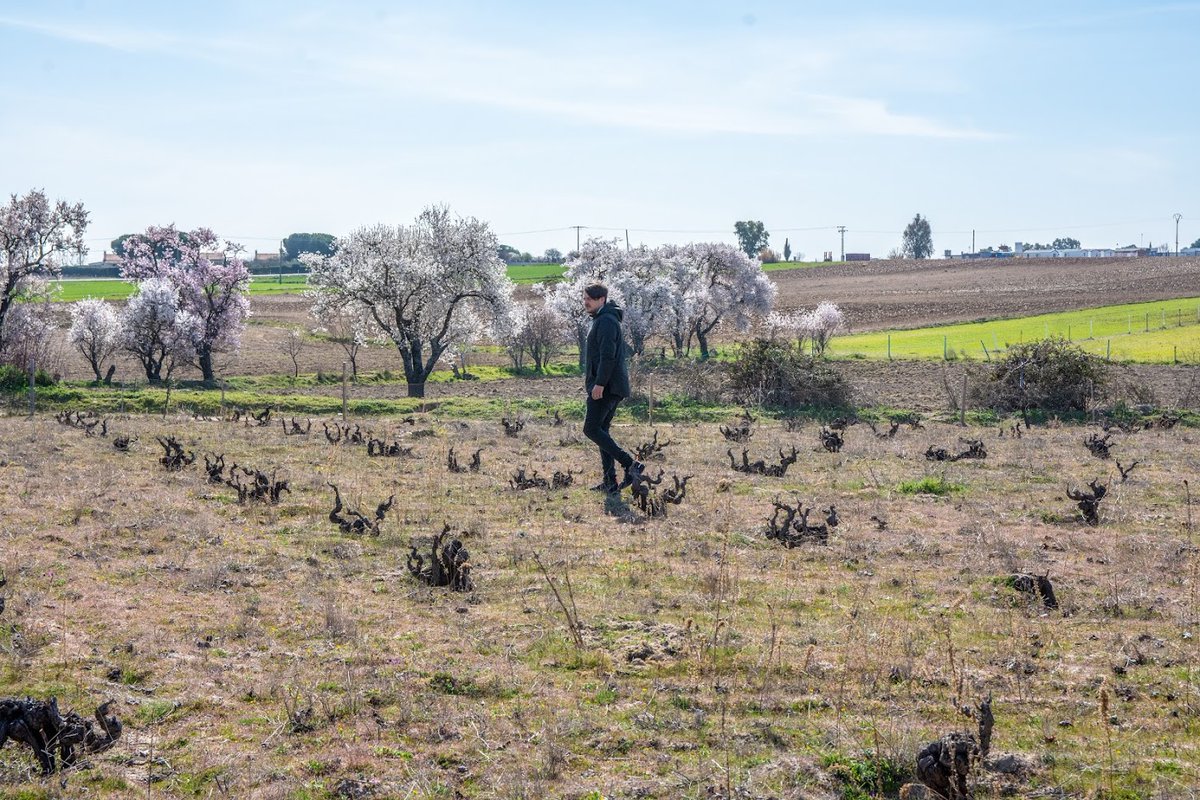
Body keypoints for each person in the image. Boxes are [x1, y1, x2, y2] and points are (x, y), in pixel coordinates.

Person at [581, 283, 643, 495]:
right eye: (585, 298)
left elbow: (608, 356)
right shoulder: (603, 319)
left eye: (589, 298)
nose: (586, 302)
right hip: (610, 385)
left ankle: (630, 464)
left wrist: (599, 383)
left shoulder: (606, 321)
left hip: (606, 386)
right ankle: (609, 481)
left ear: (602, 299)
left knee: (591, 429)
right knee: (601, 431)